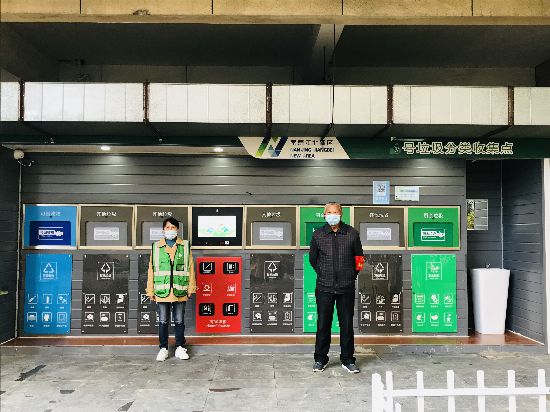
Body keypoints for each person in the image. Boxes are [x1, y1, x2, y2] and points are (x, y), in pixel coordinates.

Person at [309, 202, 364, 373]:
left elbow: (360, 259)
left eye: (335, 212)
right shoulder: (318, 235)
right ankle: (320, 359)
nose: (332, 215)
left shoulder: (352, 233)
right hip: (324, 288)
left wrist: (350, 276)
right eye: (329, 212)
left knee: (346, 325)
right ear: (324, 215)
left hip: (346, 288)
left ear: (341, 214)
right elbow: (313, 259)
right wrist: (323, 273)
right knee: (323, 324)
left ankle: (348, 360)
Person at [146, 217, 196, 362]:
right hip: (162, 290)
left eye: (173, 227)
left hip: (180, 289)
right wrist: (150, 290)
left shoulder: (185, 246)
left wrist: (191, 287)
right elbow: (151, 270)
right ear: (163, 230)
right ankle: (163, 348)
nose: (170, 230)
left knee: (179, 321)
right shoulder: (156, 247)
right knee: (163, 321)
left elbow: (190, 267)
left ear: (177, 229)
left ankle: (180, 347)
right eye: (167, 227)